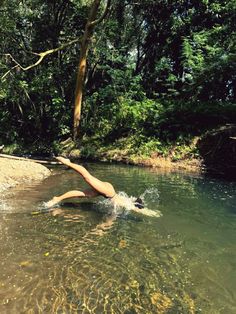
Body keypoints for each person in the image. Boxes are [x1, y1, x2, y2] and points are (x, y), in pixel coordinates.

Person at [46, 157, 159, 217]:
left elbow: (137, 201)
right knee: (87, 177)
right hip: (108, 192)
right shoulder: (130, 205)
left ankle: (57, 198)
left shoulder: (128, 201)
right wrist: (153, 214)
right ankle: (68, 163)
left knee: (82, 194)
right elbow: (142, 211)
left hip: (108, 192)